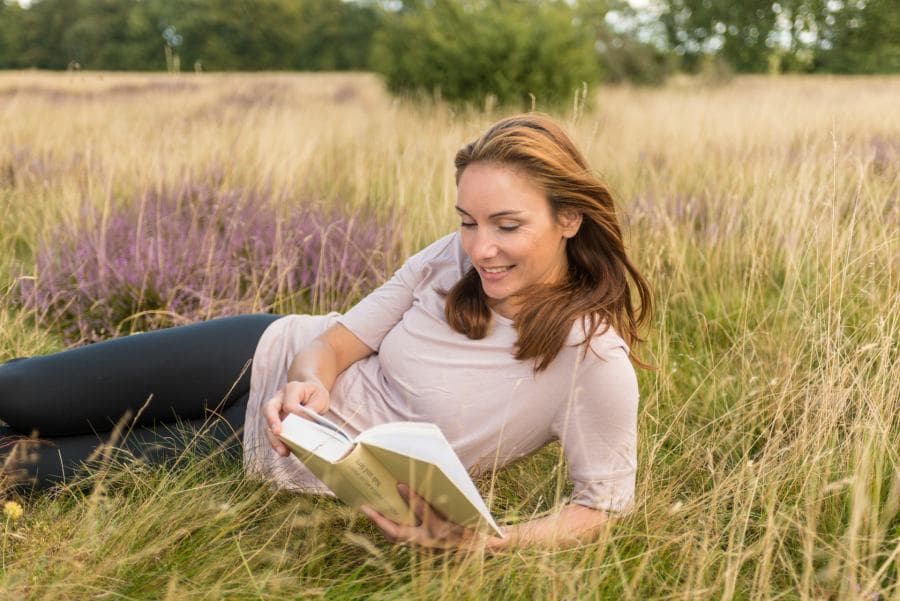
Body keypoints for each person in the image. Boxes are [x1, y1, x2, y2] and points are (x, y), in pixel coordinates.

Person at [0, 113, 652, 551]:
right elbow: (339, 342)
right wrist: (306, 381)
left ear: (569, 218)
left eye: (507, 225)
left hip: (280, 452)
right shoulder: (448, 258)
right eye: (468, 221)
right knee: (22, 392)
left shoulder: (592, 357)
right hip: (258, 354)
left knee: (27, 466)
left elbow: (600, 507)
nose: (482, 249)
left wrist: (482, 543)